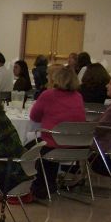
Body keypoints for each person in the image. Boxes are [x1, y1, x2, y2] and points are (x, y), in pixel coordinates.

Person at [28, 65, 86, 199]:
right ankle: (50, 183)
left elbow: (34, 116)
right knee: (50, 140)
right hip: (76, 148)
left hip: (52, 148)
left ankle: (36, 184)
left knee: (30, 144)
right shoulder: (78, 96)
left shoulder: (48, 95)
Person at [91, 72, 111, 176]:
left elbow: (99, 129)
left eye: (110, 83)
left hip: (105, 144)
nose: (106, 86)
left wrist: (81, 129)